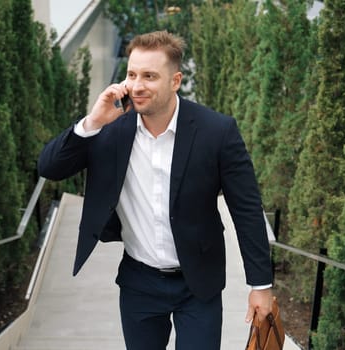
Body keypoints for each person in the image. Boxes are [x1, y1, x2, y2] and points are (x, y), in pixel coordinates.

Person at [38, 30, 273, 350]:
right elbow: (49, 168)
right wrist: (92, 121)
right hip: (139, 282)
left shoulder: (217, 131)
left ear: (175, 81)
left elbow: (246, 209)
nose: (136, 85)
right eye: (132, 74)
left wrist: (260, 285)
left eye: (149, 76)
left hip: (199, 284)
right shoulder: (109, 129)